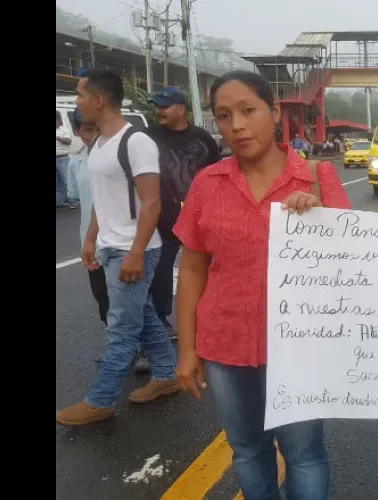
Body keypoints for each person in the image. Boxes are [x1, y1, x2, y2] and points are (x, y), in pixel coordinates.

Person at [173, 71, 351, 500]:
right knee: (247, 449)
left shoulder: (316, 177)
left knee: (303, 451)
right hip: (225, 344)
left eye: (247, 110)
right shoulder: (207, 184)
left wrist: (320, 220)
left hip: (299, 346)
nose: (236, 125)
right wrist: (187, 349)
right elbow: (193, 267)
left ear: (273, 113)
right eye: (223, 115)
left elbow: (352, 263)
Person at [56, 68, 178, 427]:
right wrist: (91, 238)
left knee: (122, 326)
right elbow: (100, 200)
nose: (77, 102)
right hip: (109, 246)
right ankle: (166, 375)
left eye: (80, 95)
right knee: (142, 318)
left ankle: (101, 400)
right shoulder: (98, 144)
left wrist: (137, 252)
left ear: (99, 100)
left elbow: (152, 203)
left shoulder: (136, 142)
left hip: (133, 248)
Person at [146, 87, 220, 339]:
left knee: (206, 270)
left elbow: (215, 178)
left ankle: (207, 317)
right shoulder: (147, 137)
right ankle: (161, 320)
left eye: (165, 106)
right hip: (161, 220)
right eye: (157, 105)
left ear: (182, 108)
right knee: (160, 274)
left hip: (199, 219)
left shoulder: (203, 140)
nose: (159, 110)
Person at [66, 108, 108, 324]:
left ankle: (140, 348)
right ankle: (121, 351)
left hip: (121, 241)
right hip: (91, 242)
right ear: (76, 130)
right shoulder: (76, 163)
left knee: (130, 300)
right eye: (87, 129)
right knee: (102, 297)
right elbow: (72, 194)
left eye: (97, 128)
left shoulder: (116, 157)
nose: (94, 134)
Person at [57, 110, 75, 208]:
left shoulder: (65, 130)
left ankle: (73, 201)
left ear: (59, 120)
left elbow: (68, 141)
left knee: (67, 181)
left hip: (62, 158)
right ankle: (59, 202)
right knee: (57, 182)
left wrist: (58, 138)